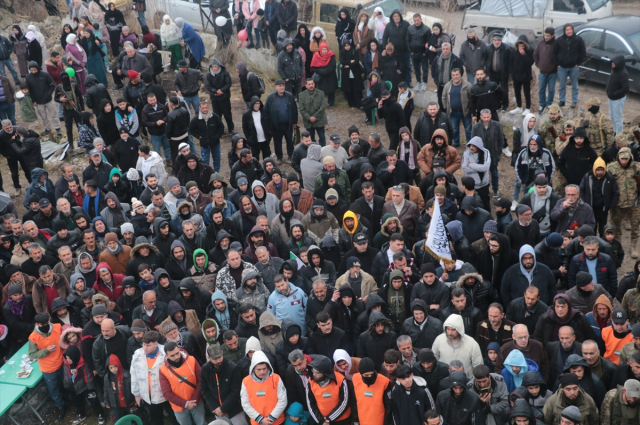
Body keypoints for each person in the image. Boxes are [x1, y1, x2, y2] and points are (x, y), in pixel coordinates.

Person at [130, 331, 178, 424]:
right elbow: (134, 375)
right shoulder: (137, 355)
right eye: (144, 344)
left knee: (174, 417)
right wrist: (136, 394)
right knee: (156, 419)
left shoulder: (166, 353)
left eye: (148, 345)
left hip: (167, 394)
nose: (145, 348)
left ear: (156, 343)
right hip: (148, 396)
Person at [159, 341, 206, 425]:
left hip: (197, 402)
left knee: (201, 423)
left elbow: (201, 380)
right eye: (172, 355)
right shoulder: (163, 370)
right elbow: (166, 393)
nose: (176, 357)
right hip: (179, 407)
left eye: (177, 353)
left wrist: (194, 400)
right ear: (166, 356)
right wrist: (185, 403)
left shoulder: (192, 360)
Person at [29, 313, 66, 420]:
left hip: (62, 363)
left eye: (46, 323)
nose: (45, 325)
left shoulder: (58, 327)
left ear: (49, 320)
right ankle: (60, 406)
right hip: (48, 369)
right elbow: (32, 354)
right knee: (53, 390)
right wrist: (46, 351)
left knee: (67, 384)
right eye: (42, 324)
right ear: (36, 324)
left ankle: (72, 400)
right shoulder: (33, 337)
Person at [240, 350, 287, 424]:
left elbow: (283, 400)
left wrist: (271, 418)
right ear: (253, 368)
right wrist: (260, 419)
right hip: (257, 422)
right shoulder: (246, 381)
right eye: (259, 369)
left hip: (277, 421)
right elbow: (245, 404)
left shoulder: (276, 378)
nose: (262, 372)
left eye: (264, 368)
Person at [25, 61, 62, 137]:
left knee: (54, 115)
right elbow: (30, 90)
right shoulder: (28, 77)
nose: (33, 72)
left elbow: (52, 84)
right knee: (43, 116)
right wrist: (33, 100)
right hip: (38, 101)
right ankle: (47, 129)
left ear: (37, 68)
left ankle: (58, 128)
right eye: (31, 70)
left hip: (48, 99)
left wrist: (49, 93)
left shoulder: (45, 74)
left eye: (35, 70)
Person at [554, 23, 586, 109]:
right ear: (564, 31)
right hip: (562, 67)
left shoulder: (578, 39)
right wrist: (558, 64)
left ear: (573, 30)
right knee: (562, 85)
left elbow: (583, 52)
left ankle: (574, 101)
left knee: (574, 85)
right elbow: (554, 52)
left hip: (573, 67)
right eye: (567, 30)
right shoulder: (559, 40)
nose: (569, 31)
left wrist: (578, 62)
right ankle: (562, 100)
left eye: (570, 29)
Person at [265, 80, 297, 162]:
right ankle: (279, 157)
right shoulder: (270, 97)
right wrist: (269, 124)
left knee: (289, 140)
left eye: (283, 85)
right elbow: (266, 111)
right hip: (276, 125)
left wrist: (294, 121)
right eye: (279, 86)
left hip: (288, 124)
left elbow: (294, 109)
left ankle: (290, 155)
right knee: (277, 142)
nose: (281, 87)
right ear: (276, 87)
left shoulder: (289, 96)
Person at [533, 27, 558, 114]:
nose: (546, 37)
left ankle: (549, 104)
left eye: (548, 36)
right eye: (545, 35)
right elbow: (535, 54)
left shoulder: (556, 44)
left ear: (553, 35)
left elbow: (560, 56)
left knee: (551, 89)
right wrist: (538, 64)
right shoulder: (540, 43)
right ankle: (542, 105)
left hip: (553, 73)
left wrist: (556, 66)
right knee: (541, 90)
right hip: (542, 72)